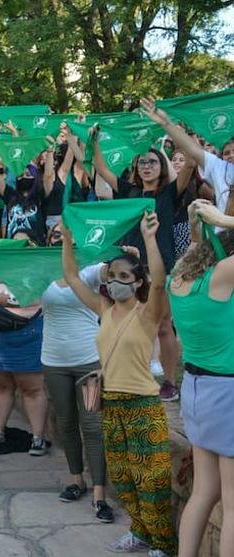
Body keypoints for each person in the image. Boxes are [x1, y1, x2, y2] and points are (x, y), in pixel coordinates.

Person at [62, 212, 176, 557]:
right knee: (125, 478)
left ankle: (163, 543)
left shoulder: (147, 313)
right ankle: (140, 532)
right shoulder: (104, 308)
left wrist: (150, 238)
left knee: (152, 479)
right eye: (112, 276)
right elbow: (70, 275)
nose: (115, 282)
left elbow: (159, 281)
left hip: (143, 404)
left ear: (136, 281)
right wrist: (68, 241)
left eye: (124, 277)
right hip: (112, 403)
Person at [93, 131, 194, 403]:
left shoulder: (170, 194)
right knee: (126, 323)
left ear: (162, 167)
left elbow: (192, 163)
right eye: (142, 163)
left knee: (163, 326)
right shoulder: (129, 191)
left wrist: (174, 129)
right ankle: (134, 376)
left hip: (161, 269)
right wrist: (93, 141)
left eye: (153, 162)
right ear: (136, 168)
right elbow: (101, 168)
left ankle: (170, 383)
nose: (147, 167)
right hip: (129, 270)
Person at [167, 201, 234, 557]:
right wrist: (223, 219)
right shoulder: (223, 275)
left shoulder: (178, 279)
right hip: (227, 392)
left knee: (204, 492)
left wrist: (203, 227)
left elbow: (195, 246)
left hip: (194, 388)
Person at [39, 223, 114, 522]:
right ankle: (76, 480)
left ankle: (99, 494)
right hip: (53, 362)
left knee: (93, 425)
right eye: (57, 234)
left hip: (88, 363)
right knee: (67, 422)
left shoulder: (89, 270)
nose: (62, 237)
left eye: (67, 234)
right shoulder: (41, 272)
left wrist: (124, 257)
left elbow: (112, 271)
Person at [0, 279, 48, 456]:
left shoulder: (37, 256)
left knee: (32, 388)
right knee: (1, 385)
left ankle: (38, 437)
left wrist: (9, 300)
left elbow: (43, 289)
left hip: (28, 326)